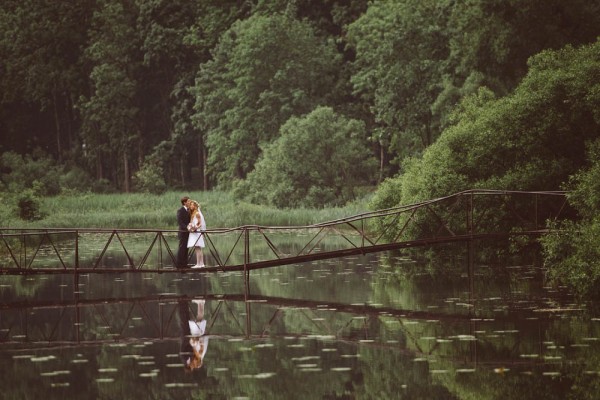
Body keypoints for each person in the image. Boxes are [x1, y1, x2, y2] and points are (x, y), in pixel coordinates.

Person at [179, 299, 209, 372]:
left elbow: (190, 347)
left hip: (195, 335)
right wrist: (195, 342)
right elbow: (200, 344)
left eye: (192, 366)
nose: (193, 364)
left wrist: (193, 342)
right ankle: (200, 304)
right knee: (199, 319)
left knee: (199, 318)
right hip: (197, 335)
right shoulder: (199, 354)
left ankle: (200, 304)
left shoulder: (192, 356)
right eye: (194, 364)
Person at [186, 200, 206, 268]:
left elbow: (200, 224)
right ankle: (201, 263)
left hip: (196, 232)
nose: (191, 206)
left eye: (192, 205)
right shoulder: (193, 213)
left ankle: (198, 264)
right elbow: (192, 223)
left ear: (195, 206)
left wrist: (194, 228)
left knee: (198, 248)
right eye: (190, 205)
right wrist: (190, 227)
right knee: (198, 248)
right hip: (194, 233)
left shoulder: (197, 213)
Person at [176, 196, 191, 269]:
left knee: (186, 248)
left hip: (188, 233)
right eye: (188, 201)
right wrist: (187, 227)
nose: (189, 202)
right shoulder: (180, 210)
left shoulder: (189, 210)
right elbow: (180, 222)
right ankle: (179, 265)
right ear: (184, 202)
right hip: (182, 232)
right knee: (182, 248)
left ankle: (185, 264)